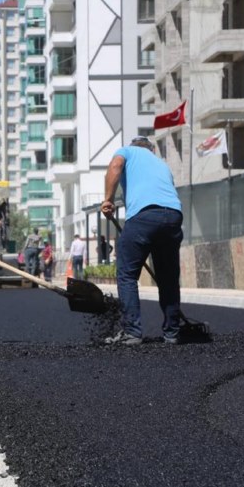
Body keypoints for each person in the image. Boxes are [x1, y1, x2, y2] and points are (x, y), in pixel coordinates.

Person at [101, 136, 183, 345]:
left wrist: (108, 200)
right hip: (173, 215)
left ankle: (132, 331)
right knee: (168, 277)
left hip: (144, 216)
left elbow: (115, 165)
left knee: (127, 274)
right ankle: (172, 332)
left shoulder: (127, 152)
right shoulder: (161, 164)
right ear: (151, 150)